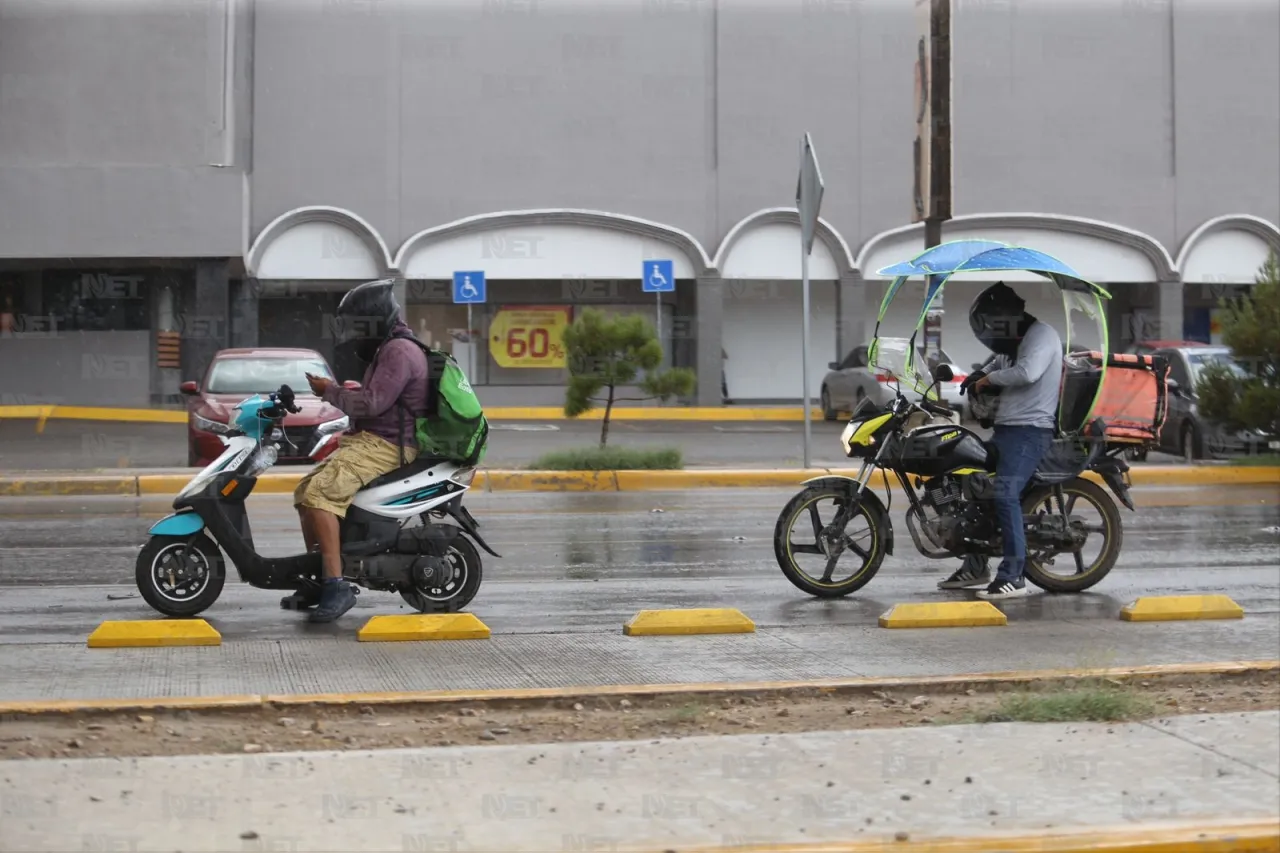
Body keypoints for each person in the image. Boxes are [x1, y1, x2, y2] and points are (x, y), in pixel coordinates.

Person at [293, 279, 428, 622]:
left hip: (388, 445)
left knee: (321, 494)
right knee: (305, 491)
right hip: (371, 440)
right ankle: (319, 575)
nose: (355, 333)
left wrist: (330, 391)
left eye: (359, 324)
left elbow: (371, 403)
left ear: (376, 318)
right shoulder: (387, 348)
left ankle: (337, 585)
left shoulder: (399, 351)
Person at [937, 282, 1063, 600]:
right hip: (1007, 431)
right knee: (974, 486)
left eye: (994, 321)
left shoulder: (1041, 335)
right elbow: (998, 361)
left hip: (1031, 433)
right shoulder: (1013, 341)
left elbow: (1027, 372)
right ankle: (976, 565)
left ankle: (1014, 575)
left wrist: (987, 379)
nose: (992, 329)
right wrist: (976, 374)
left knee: (1005, 495)